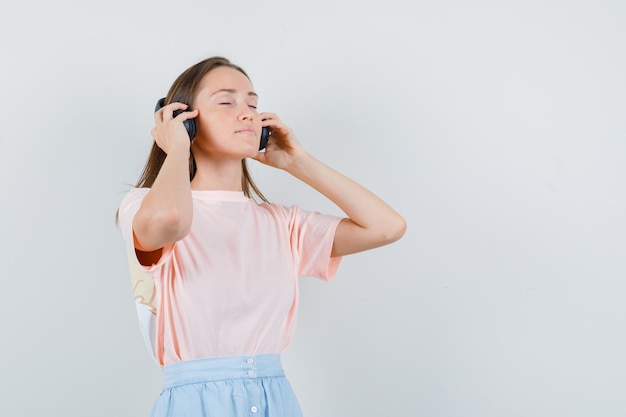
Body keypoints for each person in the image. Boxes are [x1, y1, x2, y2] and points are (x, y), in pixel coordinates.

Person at [117, 56, 406, 417]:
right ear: (183, 120)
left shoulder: (283, 225)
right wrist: (176, 147)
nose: (248, 113)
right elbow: (171, 220)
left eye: (253, 103)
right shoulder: (142, 204)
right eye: (227, 101)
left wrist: (298, 161)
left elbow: (387, 226)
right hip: (196, 403)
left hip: (277, 400)